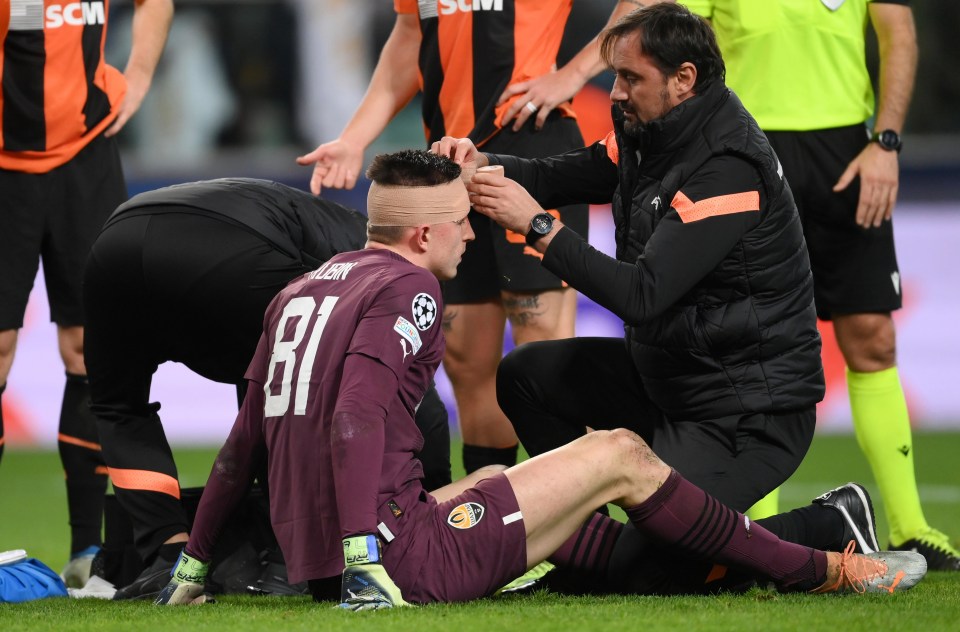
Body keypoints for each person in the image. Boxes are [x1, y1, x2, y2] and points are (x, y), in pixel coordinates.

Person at [154, 149, 925, 608]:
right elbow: (356, 415)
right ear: (423, 233)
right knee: (622, 454)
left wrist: (195, 561)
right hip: (396, 558)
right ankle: (833, 563)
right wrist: (366, 563)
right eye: (463, 219)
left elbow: (242, 439)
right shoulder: (411, 289)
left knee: (515, 485)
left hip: (327, 554)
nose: (472, 233)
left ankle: (822, 537)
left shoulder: (309, 286)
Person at [435, 2, 862, 572]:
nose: (615, 92)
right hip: (671, 378)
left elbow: (642, 295)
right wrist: (483, 165)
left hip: (745, 412)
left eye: (631, 77)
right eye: (615, 74)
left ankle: (829, 523)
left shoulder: (728, 164)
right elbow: (563, 173)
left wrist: (538, 226)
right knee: (526, 376)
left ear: (683, 79)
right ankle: (593, 556)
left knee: (653, 568)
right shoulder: (652, 129)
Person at [296, 1, 643, 475]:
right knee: (467, 363)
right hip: (447, 158)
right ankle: (490, 527)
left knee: (544, 353)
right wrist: (355, 138)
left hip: (533, 144)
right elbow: (409, 36)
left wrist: (574, 74)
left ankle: (579, 531)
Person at [682, 0, 959, 571]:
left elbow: (898, 32)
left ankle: (911, 526)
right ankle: (755, 535)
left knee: (872, 336)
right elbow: (684, 42)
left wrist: (886, 143)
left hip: (848, 154)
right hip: (747, 148)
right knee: (755, 342)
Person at [82, 178, 452, 599]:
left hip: (112, 245)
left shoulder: (328, 233)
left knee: (118, 407)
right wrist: (434, 494)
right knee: (296, 379)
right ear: (420, 235)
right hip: (226, 243)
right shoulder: (374, 258)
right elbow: (400, 396)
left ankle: (166, 557)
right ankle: (284, 563)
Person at [0, 0, 172, 585]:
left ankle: (86, 549)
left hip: (86, 159)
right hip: (4, 170)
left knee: (88, 349)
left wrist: (141, 74)